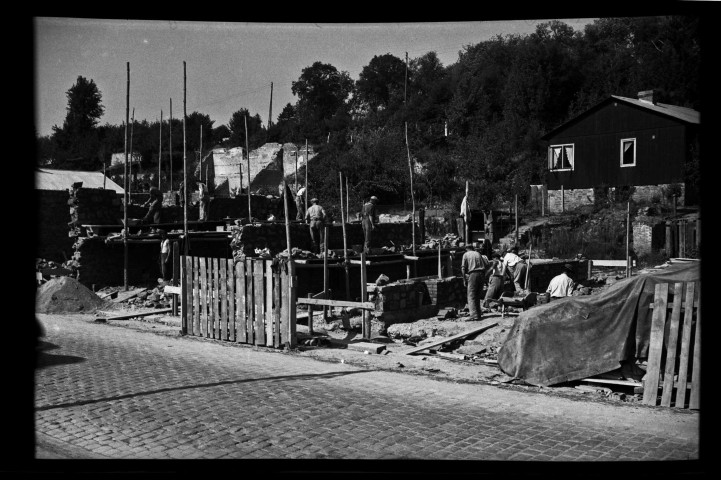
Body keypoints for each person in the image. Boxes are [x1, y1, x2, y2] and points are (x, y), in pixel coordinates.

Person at [461, 243, 489, 320]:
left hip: (473, 274)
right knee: (477, 295)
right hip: (482, 273)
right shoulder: (478, 253)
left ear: (466, 248)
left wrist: (464, 279)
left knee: (471, 295)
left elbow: (463, 268)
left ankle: (473, 315)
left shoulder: (466, 254)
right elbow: (486, 264)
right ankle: (478, 314)